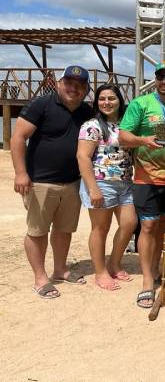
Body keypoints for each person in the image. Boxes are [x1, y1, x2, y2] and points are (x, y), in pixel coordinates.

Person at [11, 65, 93, 299]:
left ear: (86, 89)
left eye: (79, 85)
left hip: (72, 183)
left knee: (64, 230)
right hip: (39, 182)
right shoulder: (42, 104)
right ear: (59, 83)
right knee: (37, 231)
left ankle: (60, 269)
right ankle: (40, 278)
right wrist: (20, 173)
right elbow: (18, 137)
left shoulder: (87, 112)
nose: (73, 89)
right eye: (69, 83)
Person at [119, 60, 165, 308]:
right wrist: (144, 139)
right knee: (148, 226)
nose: (164, 81)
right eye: (160, 77)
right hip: (146, 177)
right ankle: (147, 282)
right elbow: (123, 137)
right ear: (156, 80)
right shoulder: (140, 104)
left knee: (163, 225)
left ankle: (158, 268)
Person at [77, 84, 137, 291]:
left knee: (129, 223)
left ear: (120, 100)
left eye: (111, 98)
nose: (107, 103)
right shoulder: (91, 126)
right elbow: (83, 157)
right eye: (102, 99)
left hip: (126, 182)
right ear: (96, 102)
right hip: (101, 183)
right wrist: (93, 189)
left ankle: (114, 263)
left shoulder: (127, 124)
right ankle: (100, 271)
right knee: (100, 229)